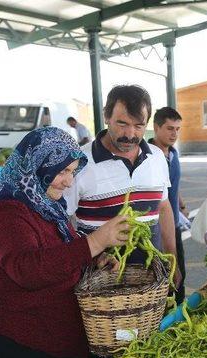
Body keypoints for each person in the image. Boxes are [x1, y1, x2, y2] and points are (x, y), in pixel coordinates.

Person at [0, 127, 130, 358]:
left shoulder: (44, 205)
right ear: (38, 164)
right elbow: (26, 269)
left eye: (72, 171)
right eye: (62, 171)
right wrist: (94, 243)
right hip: (12, 347)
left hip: (49, 343)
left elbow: (58, 256)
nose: (69, 181)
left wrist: (94, 260)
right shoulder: (7, 211)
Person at [64, 85, 181, 288]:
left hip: (151, 280)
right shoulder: (79, 163)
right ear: (106, 117)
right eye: (122, 123)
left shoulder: (156, 158)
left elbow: (163, 208)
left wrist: (172, 259)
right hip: (99, 284)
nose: (130, 134)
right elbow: (62, 222)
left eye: (138, 125)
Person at [149, 107, 187, 304]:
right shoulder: (147, 157)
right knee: (166, 276)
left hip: (176, 224)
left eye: (178, 129)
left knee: (180, 275)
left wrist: (179, 201)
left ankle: (179, 315)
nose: (175, 134)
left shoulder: (173, 154)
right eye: (170, 128)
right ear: (156, 127)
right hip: (157, 228)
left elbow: (170, 184)